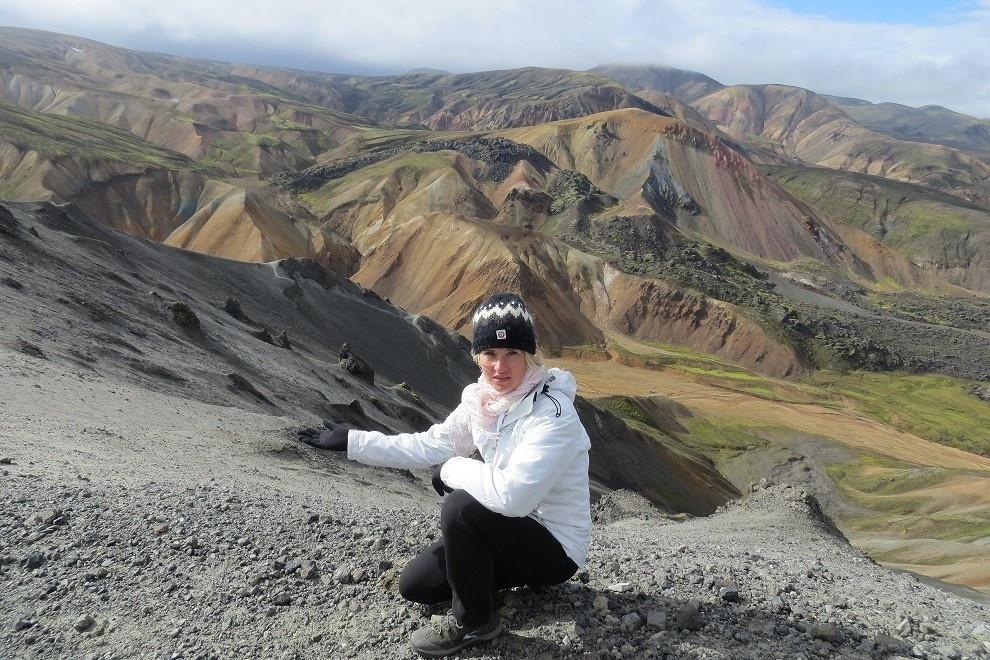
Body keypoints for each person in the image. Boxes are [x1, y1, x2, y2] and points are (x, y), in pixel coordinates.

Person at [297, 292, 592, 658]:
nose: (500, 367)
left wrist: (453, 469)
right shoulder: (484, 402)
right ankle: (488, 583)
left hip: (554, 547)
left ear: (530, 355)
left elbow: (513, 497)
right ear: (477, 356)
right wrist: (354, 442)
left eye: (512, 353)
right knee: (416, 585)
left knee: (460, 507)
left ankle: (476, 623)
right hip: (506, 528)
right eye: (490, 355)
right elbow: (428, 445)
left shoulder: (553, 415)